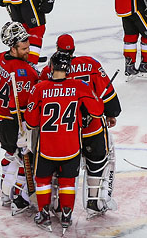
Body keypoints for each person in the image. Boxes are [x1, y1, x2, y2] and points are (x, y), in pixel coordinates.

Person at [39, 34, 121, 215]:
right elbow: (107, 96)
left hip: (63, 133)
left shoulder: (48, 70)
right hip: (92, 129)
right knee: (97, 161)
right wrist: (112, 113)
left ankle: (58, 205)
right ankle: (94, 202)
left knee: (59, 168)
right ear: (74, 49)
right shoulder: (91, 64)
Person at [24, 50, 103, 232]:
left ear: (51, 67)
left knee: (43, 179)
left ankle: (44, 214)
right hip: (71, 148)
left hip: (47, 148)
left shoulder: (39, 88)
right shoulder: (79, 87)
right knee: (68, 180)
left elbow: (32, 121)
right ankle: (66, 215)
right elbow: (97, 111)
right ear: (69, 68)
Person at [0, 22, 39, 212]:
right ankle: (20, 197)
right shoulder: (23, 73)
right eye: (24, 48)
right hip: (15, 123)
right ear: (13, 47)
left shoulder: (1, 58)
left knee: (10, 156)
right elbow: (20, 106)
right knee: (25, 158)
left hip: (0, 120)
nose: (28, 51)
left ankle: (6, 194)